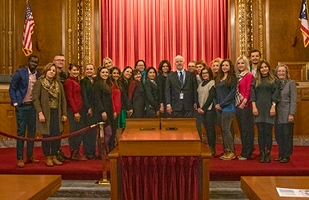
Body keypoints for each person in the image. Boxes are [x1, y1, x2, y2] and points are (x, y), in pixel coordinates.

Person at [32, 63, 67, 167]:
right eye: (50, 70)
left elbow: (63, 100)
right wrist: (40, 113)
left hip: (57, 112)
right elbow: (35, 99)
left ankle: (54, 156)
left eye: (53, 70)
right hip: (45, 114)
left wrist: (64, 113)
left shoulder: (58, 84)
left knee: (57, 136)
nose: (52, 72)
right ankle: (47, 157)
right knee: (47, 136)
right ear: (46, 71)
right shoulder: (40, 83)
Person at [9, 55, 41, 168]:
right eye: (32, 61)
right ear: (28, 61)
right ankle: (20, 158)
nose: (34, 63)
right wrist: (15, 103)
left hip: (33, 107)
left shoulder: (39, 75)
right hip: (22, 107)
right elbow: (12, 88)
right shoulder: (20, 72)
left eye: (36, 62)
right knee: (21, 133)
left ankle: (30, 156)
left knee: (32, 133)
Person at [251, 60, 280, 163]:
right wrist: (254, 107)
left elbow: (275, 95)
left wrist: (273, 106)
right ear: (259, 69)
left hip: (269, 109)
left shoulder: (274, 80)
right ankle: (262, 152)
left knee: (268, 132)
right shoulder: (255, 80)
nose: (264, 69)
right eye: (262, 67)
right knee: (261, 132)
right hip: (258, 109)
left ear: (268, 68)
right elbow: (253, 95)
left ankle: (268, 153)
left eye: (265, 67)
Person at [64, 63, 87, 161]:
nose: (76, 72)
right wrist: (75, 112)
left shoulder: (76, 81)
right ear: (69, 71)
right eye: (74, 70)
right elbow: (69, 97)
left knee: (79, 131)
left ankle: (75, 152)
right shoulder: (69, 82)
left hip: (79, 109)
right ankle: (73, 153)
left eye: (77, 70)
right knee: (75, 132)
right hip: (73, 111)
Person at [274, 64, 297, 163]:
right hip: (276, 114)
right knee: (278, 136)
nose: (281, 73)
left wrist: (291, 113)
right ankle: (281, 154)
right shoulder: (274, 83)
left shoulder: (291, 83)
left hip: (287, 113)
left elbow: (293, 99)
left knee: (287, 135)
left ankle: (286, 155)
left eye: (283, 71)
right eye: (279, 71)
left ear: (286, 73)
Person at [215, 59, 237, 160]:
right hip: (220, 108)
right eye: (223, 65)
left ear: (230, 67)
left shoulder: (232, 78)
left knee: (227, 130)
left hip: (228, 107)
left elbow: (232, 94)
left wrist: (222, 104)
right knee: (224, 130)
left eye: (226, 65)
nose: (224, 67)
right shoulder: (219, 78)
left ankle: (231, 151)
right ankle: (226, 150)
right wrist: (217, 105)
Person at [234, 56, 255, 160]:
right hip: (238, 105)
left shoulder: (249, 75)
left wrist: (244, 102)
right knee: (242, 130)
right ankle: (248, 149)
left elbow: (248, 90)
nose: (240, 65)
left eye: (242, 63)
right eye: (238, 63)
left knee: (247, 130)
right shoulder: (238, 76)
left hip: (245, 106)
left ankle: (246, 153)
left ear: (246, 64)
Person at [93, 67, 113, 155]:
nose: (105, 74)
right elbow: (97, 99)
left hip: (108, 111)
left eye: (106, 72)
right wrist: (102, 111)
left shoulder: (106, 84)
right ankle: (102, 151)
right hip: (101, 112)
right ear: (99, 74)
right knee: (108, 132)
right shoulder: (97, 84)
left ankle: (102, 152)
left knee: (105, 133)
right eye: (103, 72)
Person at [197, 67, 216, 156]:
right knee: (206, 129)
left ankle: (212, 148)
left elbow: (210, 97)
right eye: (203, 73)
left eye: (206, 73)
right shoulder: (200, 84)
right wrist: (198, 107)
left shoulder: (212, 83)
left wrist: (203, 108)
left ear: (210, 74)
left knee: (210, 130)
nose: (204, 74)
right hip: (201, 110)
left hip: (209, 110)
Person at [80, 63, 97, 159]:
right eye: (87, 69)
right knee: (88, 131)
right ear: (85, 71)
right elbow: (84, 96)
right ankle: (88, 152)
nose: (89, 71)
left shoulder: (95, 81)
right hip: (87, 109)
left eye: (91, 69)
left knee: (94, 132)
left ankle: (93, 151)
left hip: (95, 109)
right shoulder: (83, 81)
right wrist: (89, 107)